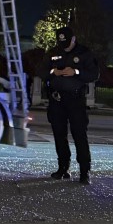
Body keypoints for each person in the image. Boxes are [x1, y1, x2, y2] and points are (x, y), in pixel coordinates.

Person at [42, 26, 100, 184]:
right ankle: (63, 168)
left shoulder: (84, 53)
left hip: (75, 100)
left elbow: (94, 74)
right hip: (57, 100)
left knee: (79, 134)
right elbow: (41, 71)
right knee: (59, 135)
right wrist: (55, 72)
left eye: (67, 42)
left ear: (73, 39)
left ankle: (84, 171)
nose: (64, 46)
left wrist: (76, 73)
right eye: (61, 43)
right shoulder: (53, 52)